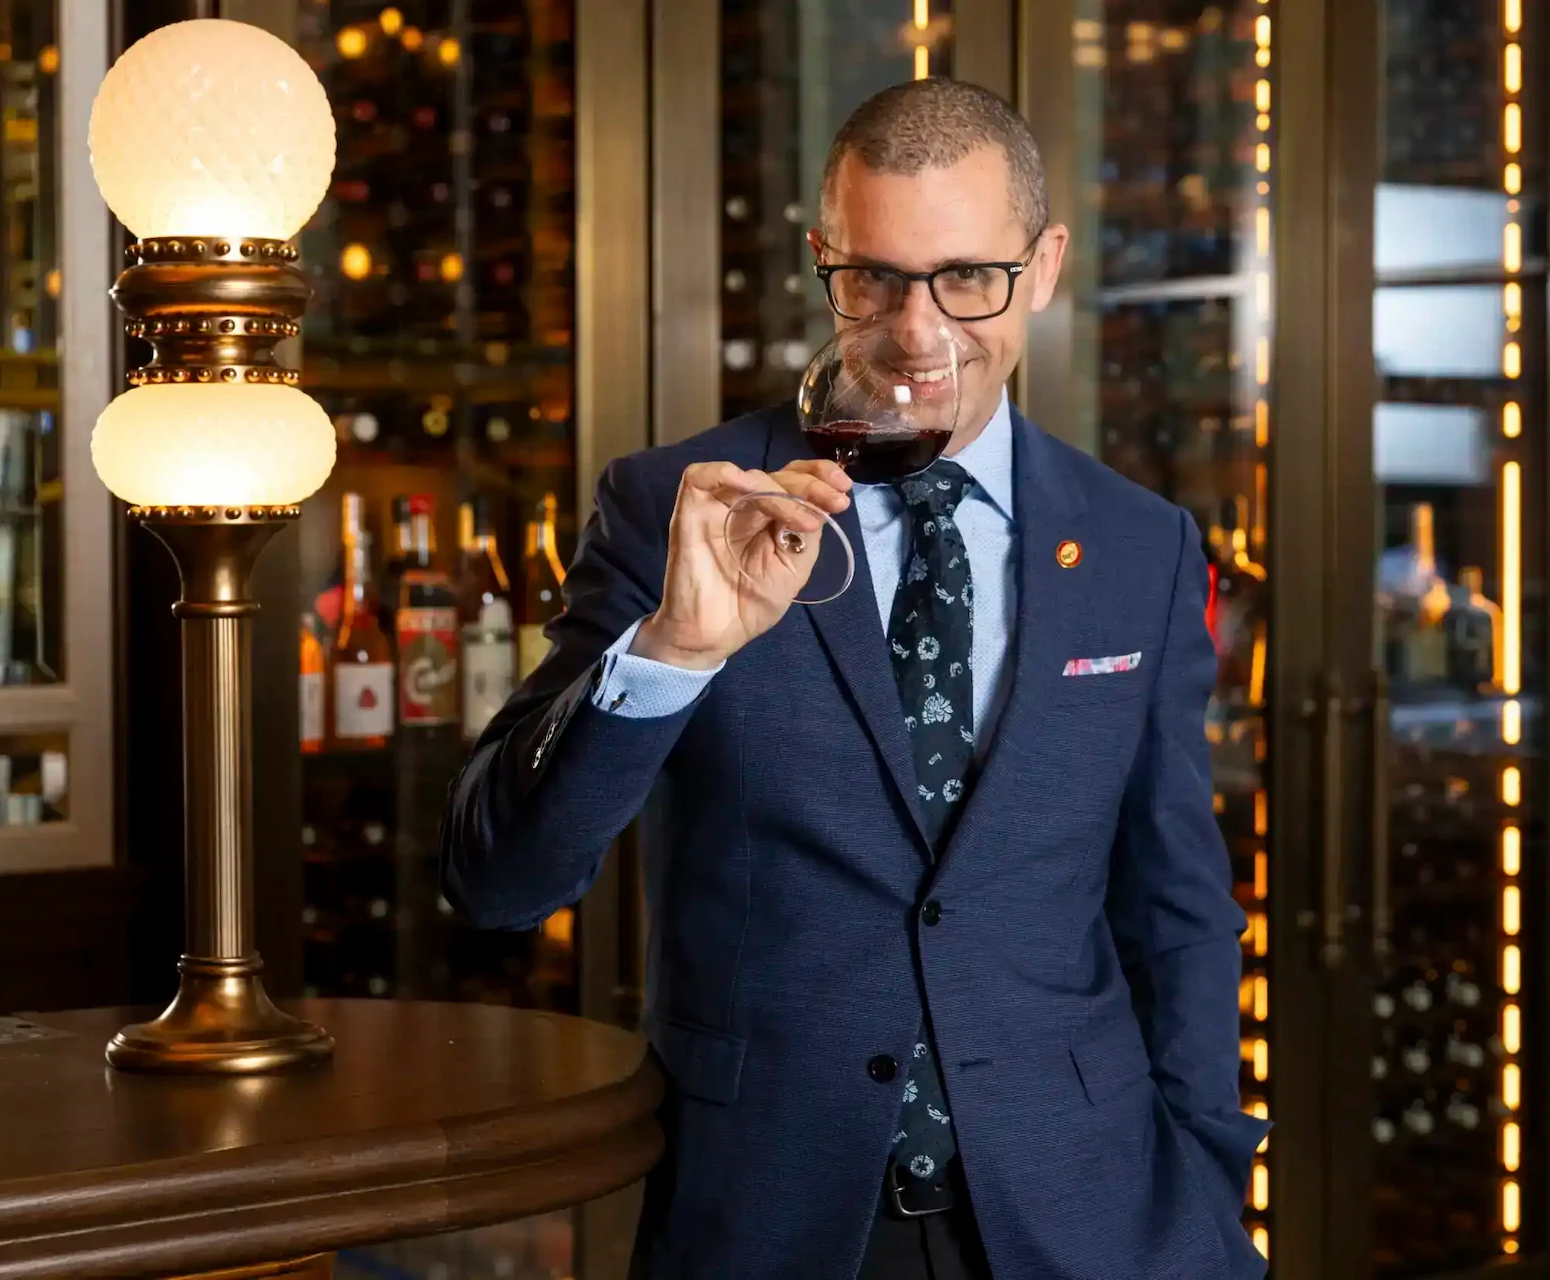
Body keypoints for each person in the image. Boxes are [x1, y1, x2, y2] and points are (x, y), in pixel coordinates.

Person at [441, 78, 1269, 1280]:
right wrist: (673, 649)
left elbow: (1177, 906)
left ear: (1043, 267)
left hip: (1091, 1215)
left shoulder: (1143, 544)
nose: (919, 333)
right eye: (875, 279)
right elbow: (498, 880)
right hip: (771, 1217)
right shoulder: (676, 505)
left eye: (968, 278)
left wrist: (1202, 1191)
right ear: (822, 262)